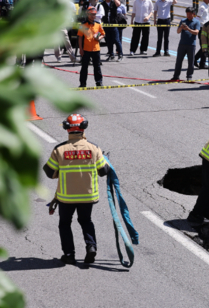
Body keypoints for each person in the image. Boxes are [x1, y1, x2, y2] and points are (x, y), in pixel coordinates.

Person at [42, 114, 109, 265]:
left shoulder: (59, 149)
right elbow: (104, 171)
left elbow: (48, 172)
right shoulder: (94, 148)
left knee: (65, 224)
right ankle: (91, 246)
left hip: (66, 197)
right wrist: (105, 159)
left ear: (66, 128)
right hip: (88, 196)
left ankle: (69, 254)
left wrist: (61, 170)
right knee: (86, 221)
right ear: (84, 127)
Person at [171, 7, 200, 82]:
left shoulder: (196, 22)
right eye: (187, 14)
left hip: (191, 45)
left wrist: (188, 29)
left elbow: (196, 32)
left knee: (191, 62)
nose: (188, 15)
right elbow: (178, 31)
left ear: (193, 14)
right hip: (182, 44)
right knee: (179, 61)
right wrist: (181, 27)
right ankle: (176, 76)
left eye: (190, 14)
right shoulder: (183, 21)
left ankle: (189, 76)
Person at [78, 7, 105, 87]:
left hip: (96, 49)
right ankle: (82, 83)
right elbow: (80, 37)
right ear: (88, 14)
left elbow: (103, 34)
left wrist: (99, 38)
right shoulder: (83, 25)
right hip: (86, 49)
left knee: (97, 67)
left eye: (94, 14)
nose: (93, 16)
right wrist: (80, 49)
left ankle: (99, 82)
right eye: (91, 14)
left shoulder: (98, 24)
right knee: (84, 67)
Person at [194, 0, 209, 69]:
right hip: (202, 28)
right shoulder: (202, 7)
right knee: (204, 47)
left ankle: (201, 62)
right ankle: (199, 61)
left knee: (205, 47)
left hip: (206, 28)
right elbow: (197, 18)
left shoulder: (206, 5)